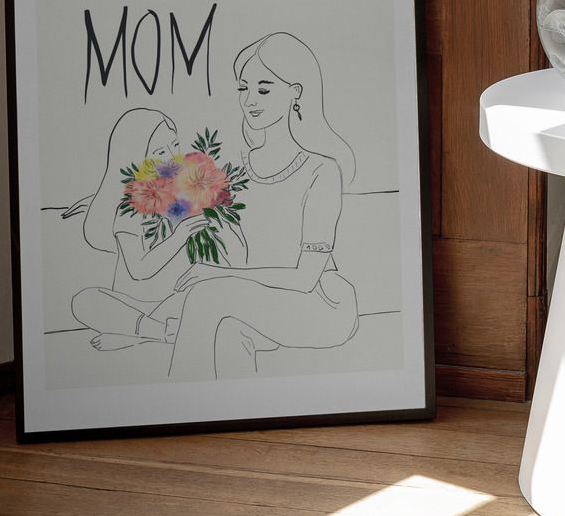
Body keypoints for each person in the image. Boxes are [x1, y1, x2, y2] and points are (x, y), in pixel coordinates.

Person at [168, 32, 359, 380]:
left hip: (318, 303)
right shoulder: (235, 170)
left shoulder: (322, 170)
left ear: (295, 92)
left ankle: (173, 401)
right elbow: (234, 253)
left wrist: (219, 275)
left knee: (207, 297)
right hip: (258, 298)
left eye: (264, 89)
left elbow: (305, 278)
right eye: (243, 88)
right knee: (225, 326)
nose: (250, 100)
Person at [69, 108, 220, 350]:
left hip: (173, 301)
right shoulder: (130, 208)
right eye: (160, 153)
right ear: (136, 160)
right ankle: (157, 332)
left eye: (174, 146)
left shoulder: (185, 197)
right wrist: (180, 236)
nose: (172, 159)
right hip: (133, 304)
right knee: (84, 301)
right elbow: (139, 269)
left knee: (207, 297)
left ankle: (134, 334)